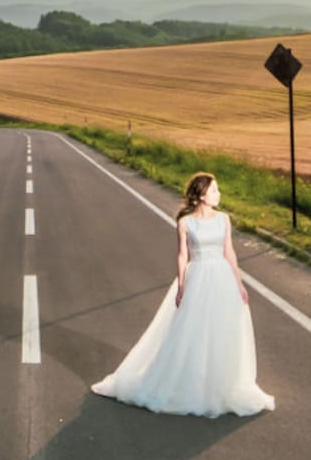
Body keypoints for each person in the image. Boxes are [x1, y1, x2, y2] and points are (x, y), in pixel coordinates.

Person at [91, 172, 275, 417]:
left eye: (217, 190)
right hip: (197, 278)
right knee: (193, 331)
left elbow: (229, 253)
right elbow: (182, 255)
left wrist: (239, 284)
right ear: (200, 196)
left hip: (222, 279)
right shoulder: (185, 222)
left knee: (221, 331)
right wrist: (181, 286)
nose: (218, 195)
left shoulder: (224, 219)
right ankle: (192, 384)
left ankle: (220, 385)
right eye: (214, 191)